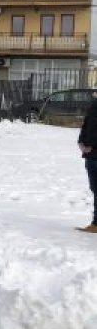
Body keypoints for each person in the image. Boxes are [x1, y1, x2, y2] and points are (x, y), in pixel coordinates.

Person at [77, 92, 97, 233]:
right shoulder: (93, 106)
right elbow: (87, 125)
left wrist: (89, 144)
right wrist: (81, 141)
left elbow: (93, 128)